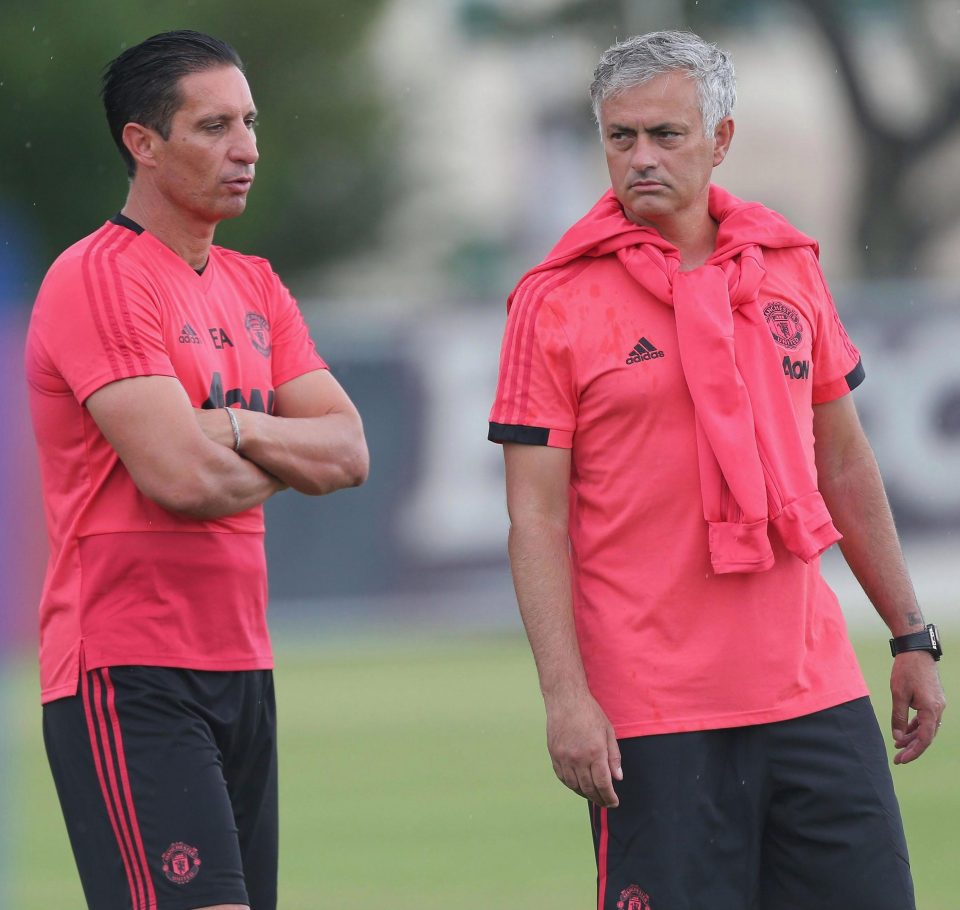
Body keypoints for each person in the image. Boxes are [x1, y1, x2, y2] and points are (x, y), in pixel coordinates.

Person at [488, 29, 945, 910]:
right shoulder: (553, 301)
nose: (642, 157)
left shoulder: (788, 269)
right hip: (655, 712)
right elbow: (536, 520)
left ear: (720, 139)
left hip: (814, 692)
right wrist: (566, 699)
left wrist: (909, 631)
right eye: (621, 137)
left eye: (667, 134)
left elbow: (844, 464)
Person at [25, 30, 368, 910]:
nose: (247, 148)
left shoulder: (254, 283)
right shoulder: (97, 277)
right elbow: (183, 481)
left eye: (249, 122)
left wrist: (232, 426)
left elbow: (349, 450)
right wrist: (270, 448)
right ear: (143, 142)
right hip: (129, 669)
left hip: (242, 664)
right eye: (214, 125)